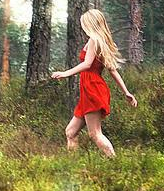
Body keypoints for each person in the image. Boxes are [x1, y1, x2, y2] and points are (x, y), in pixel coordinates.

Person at [51, 9, 137, 157]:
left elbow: (87, 64)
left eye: (84, 23)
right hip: (89, 90)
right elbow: (113, 70)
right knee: (70, 132)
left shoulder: (94, 40)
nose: (83, 26)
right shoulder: (100, 41)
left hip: (93, 89)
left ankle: (114, 162)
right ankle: (73, 165)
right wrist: (126, 92)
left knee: (95, 133)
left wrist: (65, 73)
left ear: (91, 23)